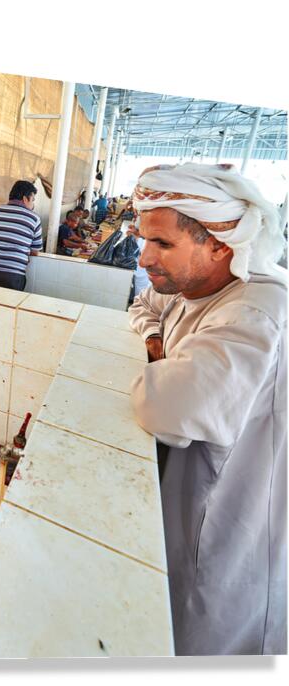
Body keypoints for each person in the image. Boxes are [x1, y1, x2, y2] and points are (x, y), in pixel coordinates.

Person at [127, 163, 287, 655]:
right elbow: (142, 306)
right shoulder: (191, 284)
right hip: (187, 490)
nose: (144, 258)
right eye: (142, 239)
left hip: (231, 511)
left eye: (163, 244)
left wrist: (156, 375)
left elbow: (169, 404)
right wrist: (156, 342)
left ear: (221, 243)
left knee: (208, 630)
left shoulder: (254, 310)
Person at [0, 179, 43, 291]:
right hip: (13, 275)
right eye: (32, 200)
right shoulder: (34, 218)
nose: (33, 204)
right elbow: (35, 251)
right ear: (25, 199)